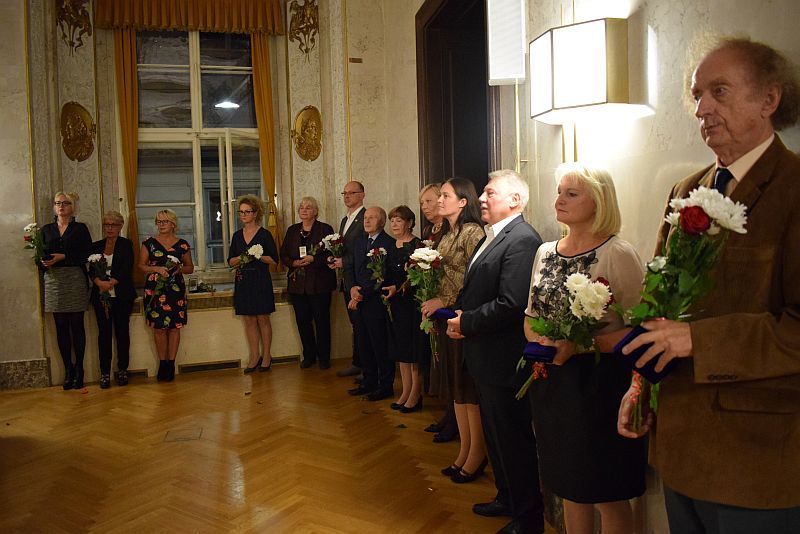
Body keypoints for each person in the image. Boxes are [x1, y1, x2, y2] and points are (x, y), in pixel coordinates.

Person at [617, 37, 800, 533]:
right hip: (680, 446)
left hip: (756, 460)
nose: (701, 109)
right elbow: (660, 297)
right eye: (697, 95)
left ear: (769, 99)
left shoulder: (793, 188)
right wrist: (640, 382)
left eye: (719, 91)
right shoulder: (687, 190)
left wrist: (698, 340)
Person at [522, 165, 646, 534]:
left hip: (598, 386)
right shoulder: (545, 251)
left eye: (571, 193)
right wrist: (540, 342)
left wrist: (581, 344)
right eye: (559, 191)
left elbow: (641, 329)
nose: (558, 200)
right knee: (568, 488)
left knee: (606, 492)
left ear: (599, 201)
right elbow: (530, 315)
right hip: (552, 383)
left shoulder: (617, 252)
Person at [446, 170, 545, 533]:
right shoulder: (494, 235)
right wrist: (460, 314)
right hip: (485, 355)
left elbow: (512, 303)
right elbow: (477, 289)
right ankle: (507, 498)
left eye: (490, 193)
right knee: (497, 435)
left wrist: (467, 322)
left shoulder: (522, 239)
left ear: (516, 200)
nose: (482, 199)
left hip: (504, 357)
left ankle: (527, 517)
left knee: (513, 440)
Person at [419, 178, 486, 484]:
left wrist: (444, 301)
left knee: (468, 390)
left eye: (445, 196)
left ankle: (477, 454)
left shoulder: (472, 232)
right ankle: (464, 450)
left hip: (463, 316)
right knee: (456, 388)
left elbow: (474, 279)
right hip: (446, 317)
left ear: (462, 201)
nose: (439, 201)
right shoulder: (448, 233)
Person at [41, 192, 92, 390]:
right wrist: (43, 262)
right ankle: (68, 370)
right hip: (54, 281)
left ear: (72, 207)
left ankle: (80, 370)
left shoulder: (80, 228)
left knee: (77, 325)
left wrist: (64, 256)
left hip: (75, 278)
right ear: (54, 207)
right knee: (61, 327)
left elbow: (87, 254)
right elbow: (39, 255)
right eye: (57, 203)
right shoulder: (46, 230)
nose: (61, 206)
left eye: (65, 203)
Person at [419, 183, 458, 442]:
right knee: (440, 361)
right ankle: (448, 413)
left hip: (448, 304)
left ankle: (454, 418)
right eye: (422, 203)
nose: (426, 207)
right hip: (433, 299)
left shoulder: (452, 230)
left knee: (450, 365)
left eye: (430, 201)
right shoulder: (430, 230)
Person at [344, 206, 395, 400]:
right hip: (358, 301)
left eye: (372, 218)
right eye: (365, 217)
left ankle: (385, 385)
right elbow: (350, 267)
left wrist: (361, 294)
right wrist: (352, 288)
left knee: (379, 345)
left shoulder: (388, 243)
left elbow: (382, 276)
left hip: (375, 302)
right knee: (363, 343)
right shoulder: (360, 242)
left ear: (381, 221)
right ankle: (368, 381)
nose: (367, 221)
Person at [280, 196, 337, 369]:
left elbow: (332, 254)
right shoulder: (292, 230)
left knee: (322, 322)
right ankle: (309, 356)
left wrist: (314, 259)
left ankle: (324, 358)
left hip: (320, 285)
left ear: (316, 211)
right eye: (301, 207)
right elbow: (284, 255)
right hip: (298, 286)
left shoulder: (325, 229)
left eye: (308, 207)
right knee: (303, 322)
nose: (304, 210)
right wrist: (294, 262)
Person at [138, 209, 194, 382]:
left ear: (173, 224)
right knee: (159, 328)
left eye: (164, 221)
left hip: (175, 290)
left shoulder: (183, 245)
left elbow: (190, 267)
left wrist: (179, 269)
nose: (161, 225)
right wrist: (156, 268)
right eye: (158, 221)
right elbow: (141, 266)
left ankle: (171, 364)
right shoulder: (149, 243)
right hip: (155, 290)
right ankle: (163, 363)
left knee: (174, 327)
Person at [382, 205, 426, 412]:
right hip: (396, 304)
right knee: (400, 350)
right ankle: (405, 391)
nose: (394, 224)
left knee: (412, 350)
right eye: (392, 221)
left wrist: (400, 286)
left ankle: (416, 394)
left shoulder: (418, 246)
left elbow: (418, 279)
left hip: (412, 304)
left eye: (398, 220)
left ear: (409, 223)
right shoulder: (391, 246)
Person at [228, 195, 279, 373]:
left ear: (256, 213)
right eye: (241, 212)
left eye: (247, 212)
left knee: (263, 319)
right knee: (249, 320)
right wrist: (242, 257)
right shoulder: (236, 236)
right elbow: (230, 261)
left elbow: (274, 260)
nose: (243, 215)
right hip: (243, 281)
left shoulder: (264, 234)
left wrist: (258, 256)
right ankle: (254, 356)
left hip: (260, 280)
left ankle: (267, 356)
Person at [89, 211, 136, 389]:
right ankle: (105, 373)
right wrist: (99, 283)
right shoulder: (96, 246)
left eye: (113, 225)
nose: (109, 228)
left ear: (120, 226)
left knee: (122, 333)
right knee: (104, 334)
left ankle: (122, 369)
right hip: (101, 296)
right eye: (107, 225)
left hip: (122, 296)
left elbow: (127, 267)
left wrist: (112, 282)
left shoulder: (126, 244)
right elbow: (91, 270)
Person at [332, 181, 367, 378]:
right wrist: (336, 259)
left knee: (362, 324)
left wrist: (343, 261)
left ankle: (366, 366)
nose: (347, 196)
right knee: (355, 323)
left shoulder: (365, 217)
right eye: (344, 193)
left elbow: (365, 251)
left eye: (351, 193)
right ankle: (358, 362)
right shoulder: (345, 220)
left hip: (360, 279)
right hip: (347, 279)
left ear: (362, 195)